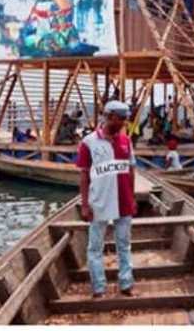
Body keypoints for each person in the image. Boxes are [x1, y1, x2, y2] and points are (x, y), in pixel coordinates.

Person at [76, 100, 137, 298]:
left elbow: (131, 169)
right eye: (121, 119)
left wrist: (132, 196)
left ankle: (126, 285)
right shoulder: (89, 142)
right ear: (110, 116)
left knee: (124, 245)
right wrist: (85, 204)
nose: (124, 123)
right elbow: (84, 175)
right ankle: (99, 288)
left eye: (125, 119)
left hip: (124, 200)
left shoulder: (126, 141)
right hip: (98, 202)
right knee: (95, 247)